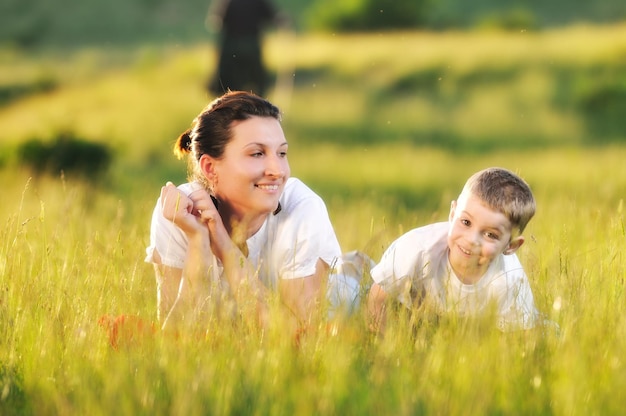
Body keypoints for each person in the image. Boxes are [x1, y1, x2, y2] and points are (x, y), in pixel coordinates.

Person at [145, 91, 363, 335]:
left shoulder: (302, 208)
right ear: (209, 167)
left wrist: (224, 246)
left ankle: (357, 265)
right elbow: (175, 338)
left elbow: (296, 338)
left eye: (282, 153)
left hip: (346, 301)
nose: (277, 170)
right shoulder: (179, 213)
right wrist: (198, 242)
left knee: (355, 283)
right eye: (257, 153)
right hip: (238, 335)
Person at [367, 167, 544, 334]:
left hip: (476, 328)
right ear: (453, 214)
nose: (471, 240)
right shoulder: (418, 250)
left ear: (511, 246)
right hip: (414, 310)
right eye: (466, 222)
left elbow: (517, 339)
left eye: (490, 234)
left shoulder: (510, 281)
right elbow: (378, 299)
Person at [206, 0, 287, 97]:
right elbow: (273, 17)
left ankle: (234, 104)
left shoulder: (229, 2)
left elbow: (218, 22)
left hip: (233, 46)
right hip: (249, 46)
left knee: (232, 79)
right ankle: (255, 103)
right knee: (256, 78)